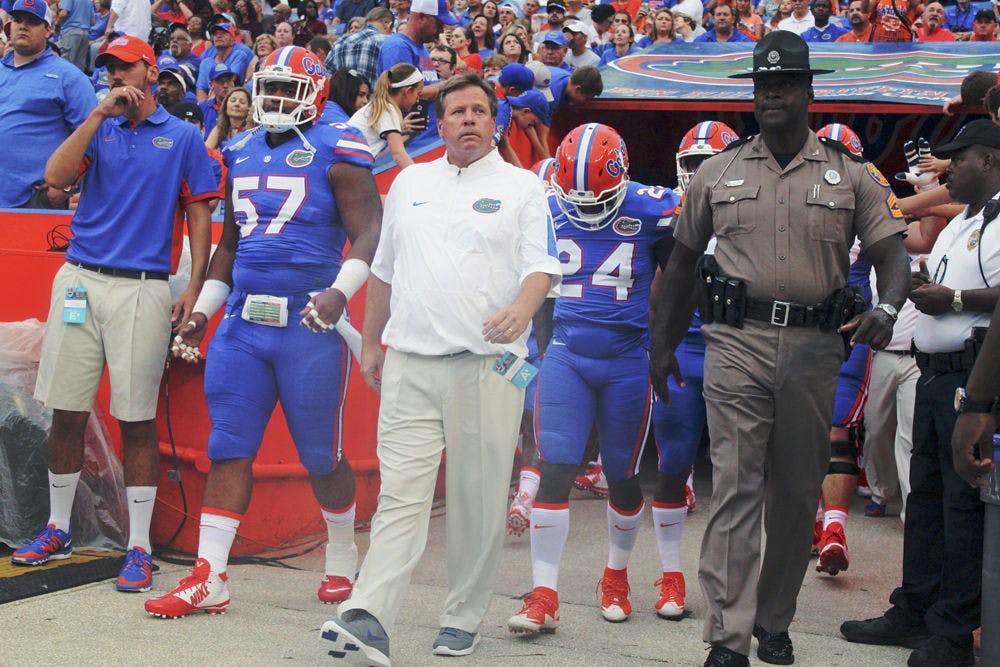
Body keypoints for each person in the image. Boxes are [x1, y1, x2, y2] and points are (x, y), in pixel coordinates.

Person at [649, 32, 910, 666]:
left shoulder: (851, 175)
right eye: (763, 87)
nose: (772, 96)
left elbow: (892, 254)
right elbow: (681, 265)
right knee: (737, 486)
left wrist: (887, 306)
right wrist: (660, 349)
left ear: (807, 92)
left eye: (785, 85)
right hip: (736, 343)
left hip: (817, 351)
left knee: (795, 495)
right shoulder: (719, 171)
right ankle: (728, 638)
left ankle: (773, 619)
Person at [321, 73, 561, 664]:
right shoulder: (408, 182)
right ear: (440, 122)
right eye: (458, 112)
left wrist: (521, 309)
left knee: (477, 502)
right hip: (409, 362)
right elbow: (383, 269)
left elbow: (543, 268)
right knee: (401, 496)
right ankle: (369, 614)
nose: (470, 120)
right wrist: (372, 343)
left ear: (496, 122)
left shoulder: (523, 187)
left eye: (481, 111)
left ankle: (462, 619)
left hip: (490, 367)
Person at [145, 44, 381, 619]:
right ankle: (211, 576)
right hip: (245, 322)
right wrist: (203, 311)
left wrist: (338, 293)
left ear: (314, 93)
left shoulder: (339, 146)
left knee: (321, 455)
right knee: (229, 445)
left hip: (308, 321)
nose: (274, 100)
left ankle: (342, 553)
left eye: (286, 89)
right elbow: (229, 246)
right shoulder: (242, 148)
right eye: (268, 88)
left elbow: (372, 230)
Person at [12, 37, 217, 595]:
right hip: (80, 276)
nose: (116, 76)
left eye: (125, 66)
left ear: (150, 71)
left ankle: (141, 546)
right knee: (66, 409)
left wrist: (194, 288)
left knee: (136, 418)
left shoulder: (183, 135)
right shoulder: (98, 123)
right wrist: (99, 112)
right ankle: (57, 527)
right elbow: (55, 179)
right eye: (108, 68)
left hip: (144, 286)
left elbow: (199, 214)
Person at [506, 122, 679, 634]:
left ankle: (617, 575)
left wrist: (663, 344)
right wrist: (532, 352)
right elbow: (533, 281)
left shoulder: (652, 206)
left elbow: (683, 276)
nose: (584, 206)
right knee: (555, 467)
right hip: (567, 351)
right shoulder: (545, 202)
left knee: (622, 476)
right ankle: (543, 594)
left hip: (627, 357)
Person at [841, 118, 1000, 667]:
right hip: (932, 370)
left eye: (960, 158)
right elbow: (924, 270)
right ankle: (915, 608)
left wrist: (953, 300)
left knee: (961, 505)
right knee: (926, 498)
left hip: (969, 377)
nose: (948, 168)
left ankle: (954, 630)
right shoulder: (964, 221)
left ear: (990, 161)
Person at [646, 119, 740, 622]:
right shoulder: (668, 213)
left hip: (737, 349)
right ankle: (671, 573)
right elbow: (659, 295)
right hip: (686, 350)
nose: (699, 173)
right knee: (674, 462)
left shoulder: (755, 207)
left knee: (741, 473)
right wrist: (655, 348)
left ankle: (732, 577)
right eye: (691, 164)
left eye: (709, 162)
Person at [0, 0, 96, 210]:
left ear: (48, 30)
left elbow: (92, 134)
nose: (23, 26)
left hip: (34, 199)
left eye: (33, 21)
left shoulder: (68, 77)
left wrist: (67, 185)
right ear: (9, 26)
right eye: (17, 20)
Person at [349, 63, 423, 168]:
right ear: (408, 91)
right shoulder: (388, 110)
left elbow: (380, 154)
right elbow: (398, 155)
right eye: (418, 94)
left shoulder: (380, 106)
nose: (418, 100)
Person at [326, 6, 393, 90]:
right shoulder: (388, 42)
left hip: (342, 101)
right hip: (375, 101)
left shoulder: (341, 41)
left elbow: (326, 75)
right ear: (388, 25)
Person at [195, 21, 253, 102]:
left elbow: (229, 82)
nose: (218, 36)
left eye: (223, 33)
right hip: (211, 102)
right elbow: (201, 89)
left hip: (232, 99)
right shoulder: (205, 62)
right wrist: (204, 108)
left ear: (233, 39)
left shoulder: (239, 55)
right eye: (215, 34)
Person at [198, 62, 241, 139]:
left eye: (228, 81)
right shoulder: (202, 109)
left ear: (233, 83)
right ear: (211, 85)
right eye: (220, 81)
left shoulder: (241, 108)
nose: (225, 85)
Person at [55, 0, 94, 72]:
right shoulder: (89, 1)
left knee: (66, 63)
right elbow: (92, 21)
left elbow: (63, 14)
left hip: (71, 32)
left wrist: (57, 23)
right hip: (85, 33)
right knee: (80, 66)